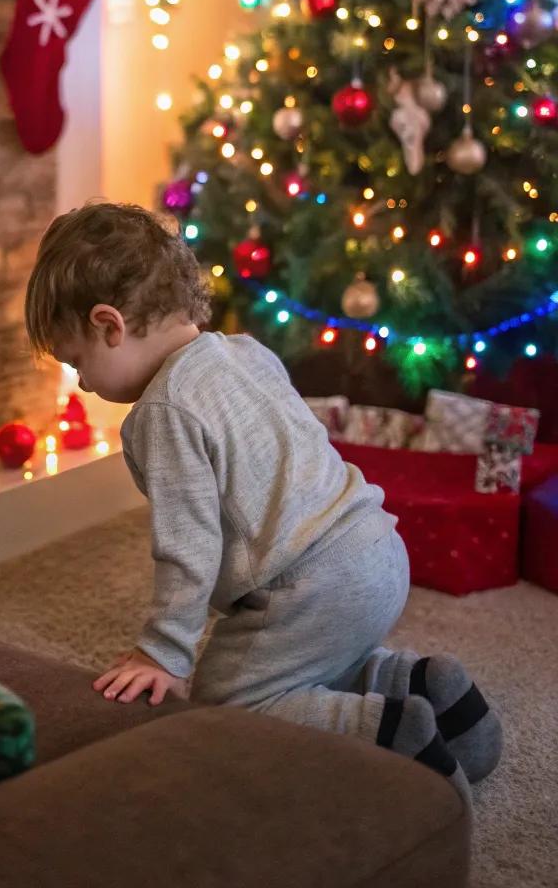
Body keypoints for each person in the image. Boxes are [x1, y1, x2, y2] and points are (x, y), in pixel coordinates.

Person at [25, 201, 502, 798]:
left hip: (306, 584)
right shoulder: (244, 352)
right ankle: (421, 686)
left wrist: (163, 653)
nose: (84, 383)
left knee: (231, 701)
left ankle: (389, 735)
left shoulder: (163, 413)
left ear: (110, 325)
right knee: (305, 662)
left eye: (77, 363)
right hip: (377, 547)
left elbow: (188, 547)